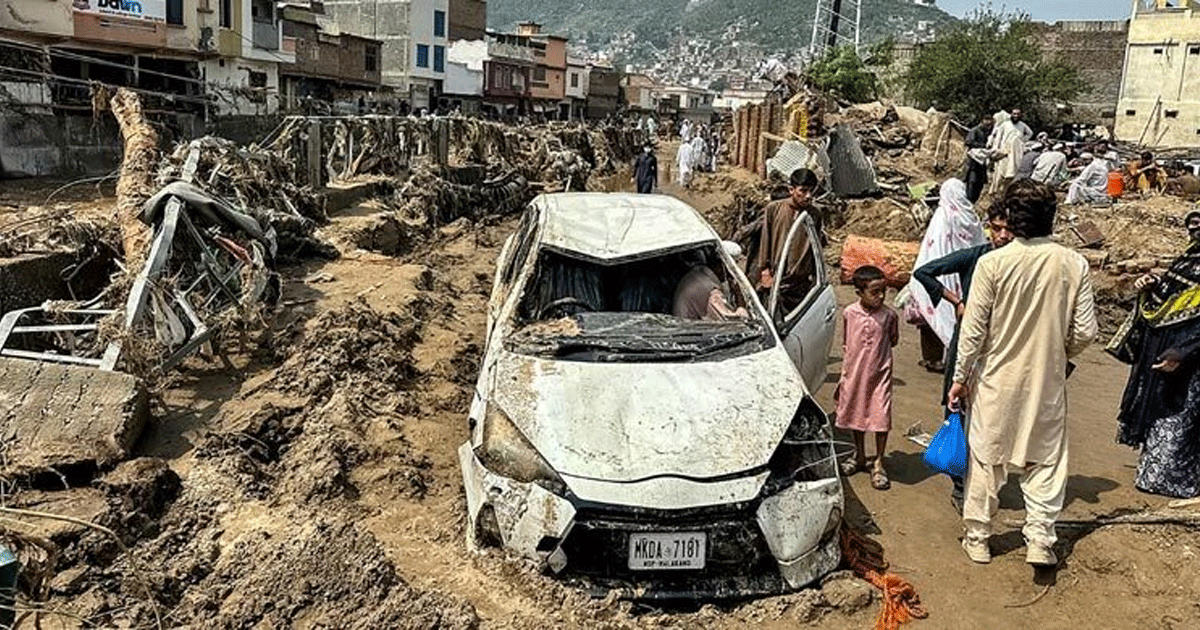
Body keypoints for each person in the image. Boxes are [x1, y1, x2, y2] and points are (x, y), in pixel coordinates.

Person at [949, 179, 1098, 566]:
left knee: (986, 457)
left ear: (1012, 219)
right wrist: (1058, 353)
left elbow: (973, 331)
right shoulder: (1074, 263)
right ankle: (1039, 540)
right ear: (1052, 218)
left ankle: (979, 538)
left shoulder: (992, 263)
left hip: (996, 377)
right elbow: (1086, 332)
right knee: (1045, 461)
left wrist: (960, 378)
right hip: (1047, 379)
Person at [913, 204, 1014, 511]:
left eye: (1008, 229)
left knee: (993, 413)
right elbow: (924, 272)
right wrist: (957, 301)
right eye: (997, 228)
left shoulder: (1018, 263)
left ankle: (986, 477)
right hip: (965, 343)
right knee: (956, 408)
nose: (1003, 235)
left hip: (999, 346)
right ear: (988, 227)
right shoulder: (976, 256)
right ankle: (959, 483)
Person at [1111, 210, 1200, 499]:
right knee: (1164, 409)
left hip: (1190, 357)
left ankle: (1178, 479)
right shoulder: (1190, 257)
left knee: (1180, 416)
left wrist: (1183, 352)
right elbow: (1172, 295)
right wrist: (1150, 287)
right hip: (1171, 351)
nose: (1194, 228)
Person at [905, 179, 987, 373]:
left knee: (932, 316)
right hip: (966, 274)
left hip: (938, 272)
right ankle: (956, 357)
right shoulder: (971, 216)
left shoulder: (943, 215)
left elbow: (934, 245)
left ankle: (932, 359)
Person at [836, 265, 900, 491]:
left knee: (881, 418)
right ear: (859, 293)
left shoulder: (889, 316)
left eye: (883, 291)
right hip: (854, 375)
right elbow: (847, 342)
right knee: (857, 413)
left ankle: (879, 462)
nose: (881, 296)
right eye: (874, 292)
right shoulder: (849, 313)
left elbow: (892, 340)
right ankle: (860, 454)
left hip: (879, 376)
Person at [746, 168, 823, 298]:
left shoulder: (814, 215)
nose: (808, 196)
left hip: (800, 282)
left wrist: (816, 278)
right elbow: (766, 240)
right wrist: (764, 271)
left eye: (811, 191)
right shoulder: (774, 209)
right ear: (791, 190)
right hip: (776, 278)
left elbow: (816, 247)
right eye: (803, 191)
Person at [672, 264, 748, 321]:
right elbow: (733, 321)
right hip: (688, 334)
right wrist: (740, 301)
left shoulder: (697, 274)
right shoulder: (711, 291)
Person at [988, 110, 1025, 194]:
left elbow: (1029, 133)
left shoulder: (1022, 126)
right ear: (1011, 114)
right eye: (1014, 114)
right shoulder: (1005, 125)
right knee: (999, 174)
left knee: (1011, 173)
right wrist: (996, 148)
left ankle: (1006, 192)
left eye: (1017, 114)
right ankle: (995, 191)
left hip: (1015, 153)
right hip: (1003, 152)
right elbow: (998, 137)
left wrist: (1021, 141)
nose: (1016, 116)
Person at [963, 114, 995, 203]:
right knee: (972, 183)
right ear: (982, 120)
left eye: (990, 120)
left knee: (980, 184)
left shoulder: (989, 132)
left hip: (982, 162)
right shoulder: (975, 130)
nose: (988, 122)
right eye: (986, 120)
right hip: (973, 162)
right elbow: (969, 142)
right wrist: (983, 146)